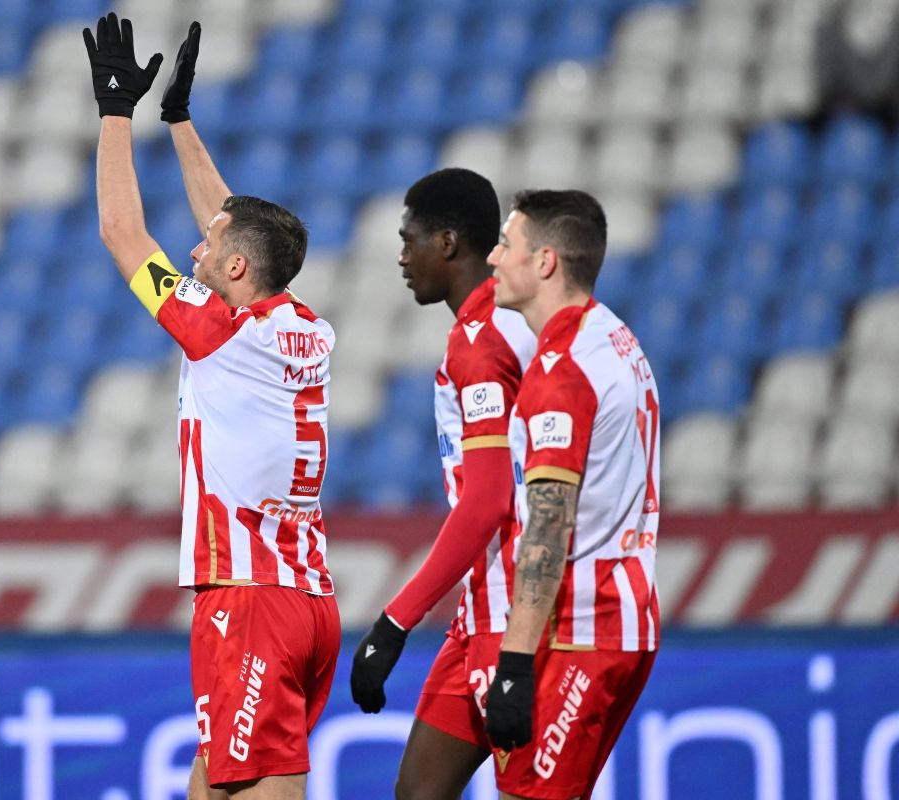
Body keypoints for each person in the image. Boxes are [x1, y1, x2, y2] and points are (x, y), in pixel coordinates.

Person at [83, 14, 340, 800]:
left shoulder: (219, 337)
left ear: (233, 266)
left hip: (250, 597)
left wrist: (115, 113)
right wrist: (181, 122)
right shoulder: (304, 326)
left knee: (260, 786)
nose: (195, 247)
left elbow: (122, 232)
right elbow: (244, 230)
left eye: (208, 245)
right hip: (308, 597)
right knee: (213, 782)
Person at [347, 168, 536, 799]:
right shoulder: (500, 326)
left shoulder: (483, 341)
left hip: (518, 617)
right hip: (483, 609)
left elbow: (487, 501)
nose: (402, 257)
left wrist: (394, 623)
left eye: (410, 240)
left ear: (448, 243)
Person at [484, 190, 660, 800]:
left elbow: (548, 528)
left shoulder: (563, 372)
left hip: (584, 627)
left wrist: (514, 661)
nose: (493, 259)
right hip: (625, 616)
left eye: (507, 244)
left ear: (546, 262)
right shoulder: (614, 337)